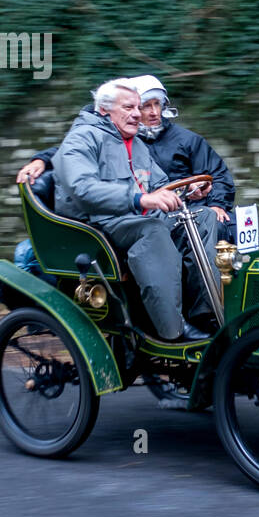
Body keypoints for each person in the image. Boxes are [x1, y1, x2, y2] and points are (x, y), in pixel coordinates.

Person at [51, 78, 220, 342]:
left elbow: (161, 185)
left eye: (137, 108)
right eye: (129, 107)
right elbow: (82, 189)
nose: (137, 114)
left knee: (204, 217)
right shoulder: (82, 138)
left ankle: (205, 313)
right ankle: (172, 331)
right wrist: (140, 199)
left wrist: (188, 191)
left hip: (137, 219)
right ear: (105, 110)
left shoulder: (136, 143)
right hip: (99, 226)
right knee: (151, 230)